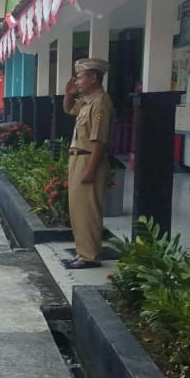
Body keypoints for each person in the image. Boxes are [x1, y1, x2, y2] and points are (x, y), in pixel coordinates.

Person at [63, 58, 114, 269]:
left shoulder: (100, 102)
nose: (77, 81)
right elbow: (68, 109)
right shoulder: (87, 101)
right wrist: (68, 93)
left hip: (89, 159)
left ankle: (90, 256)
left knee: (88, 210)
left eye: (81, 77)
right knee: (77, 210)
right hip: (78, 158)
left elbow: (99, 141)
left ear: (93, 78)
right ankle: (83, 253)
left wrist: (90, 171)